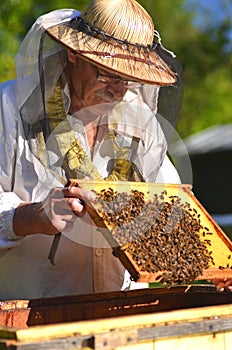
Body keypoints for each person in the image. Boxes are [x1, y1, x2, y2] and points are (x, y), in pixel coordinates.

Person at [0, 0, 229, 300]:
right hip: (35, 322)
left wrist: (215, 272)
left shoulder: (142, 124)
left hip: (126, 317)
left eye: (128, 78)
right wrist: (30, 216)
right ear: (73, 53)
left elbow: (172, 211)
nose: (118, 91)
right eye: (106, 73)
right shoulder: (10, 109)